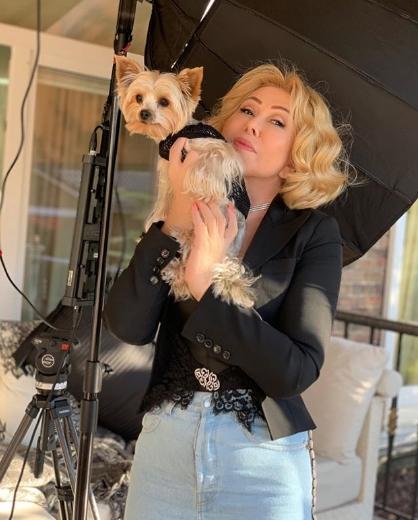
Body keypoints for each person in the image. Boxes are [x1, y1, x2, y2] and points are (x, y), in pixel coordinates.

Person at [103, 62, 354, 520]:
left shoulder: (314, 234)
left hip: (264, 461)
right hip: (164, 450)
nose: (253, 125)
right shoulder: (183, 204)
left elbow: (295, 370)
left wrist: (205, 286)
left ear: (298, 154)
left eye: (277, 122)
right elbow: (127, 325)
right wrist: (177, 216)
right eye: (247, 110)